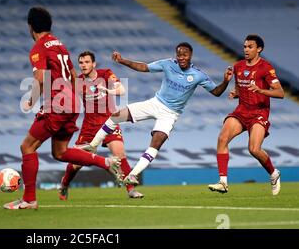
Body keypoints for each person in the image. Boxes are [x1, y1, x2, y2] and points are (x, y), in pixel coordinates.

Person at [3, 7, 122, 210]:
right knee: (60, 152)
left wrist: (31, 100)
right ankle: (106, 163)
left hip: (58, 104)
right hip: (71, 103)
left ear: (30, 27)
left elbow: (40, 79)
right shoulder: (60, 45)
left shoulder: (39, 47)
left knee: (27, 147)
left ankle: (29, 199)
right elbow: (74, 75)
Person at [80, 43, 233, 186]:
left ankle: (133, 174)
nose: (181, 58)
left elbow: (216, 92)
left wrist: (225, 81)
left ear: (191, 55)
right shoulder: (168, 64)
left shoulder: (198, 75)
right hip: (155, 103)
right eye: (179, 55)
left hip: (170, 114)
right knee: (116, 115)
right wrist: (122, 60)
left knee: (156, 143)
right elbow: (143, 67)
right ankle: (93, 145)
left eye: (185, 55)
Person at [59, 51, 144, 200]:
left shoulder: (105, 74)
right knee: (76, 164)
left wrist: (109, 90)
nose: (83, 65)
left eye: (86, 62)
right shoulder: (78, 82)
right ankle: (64, 184)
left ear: (94, 64)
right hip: (89, 126)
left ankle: (130, 189)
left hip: (109, 122)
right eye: (81, 63)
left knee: (119, 153)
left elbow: (122, 90)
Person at [208, 34, 284, 195]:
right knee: (222, 138)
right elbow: (241, 89)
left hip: (259, 113)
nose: (246, 49)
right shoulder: (238, 66)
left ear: (259, 49)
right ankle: (223, 182)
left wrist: (261, 90)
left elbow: (280, 93)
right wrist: (235, 92)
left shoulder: (266, 67)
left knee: (254, 149)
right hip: (242, 111)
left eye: (250, 47)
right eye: (245, 46)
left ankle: (273, 173)